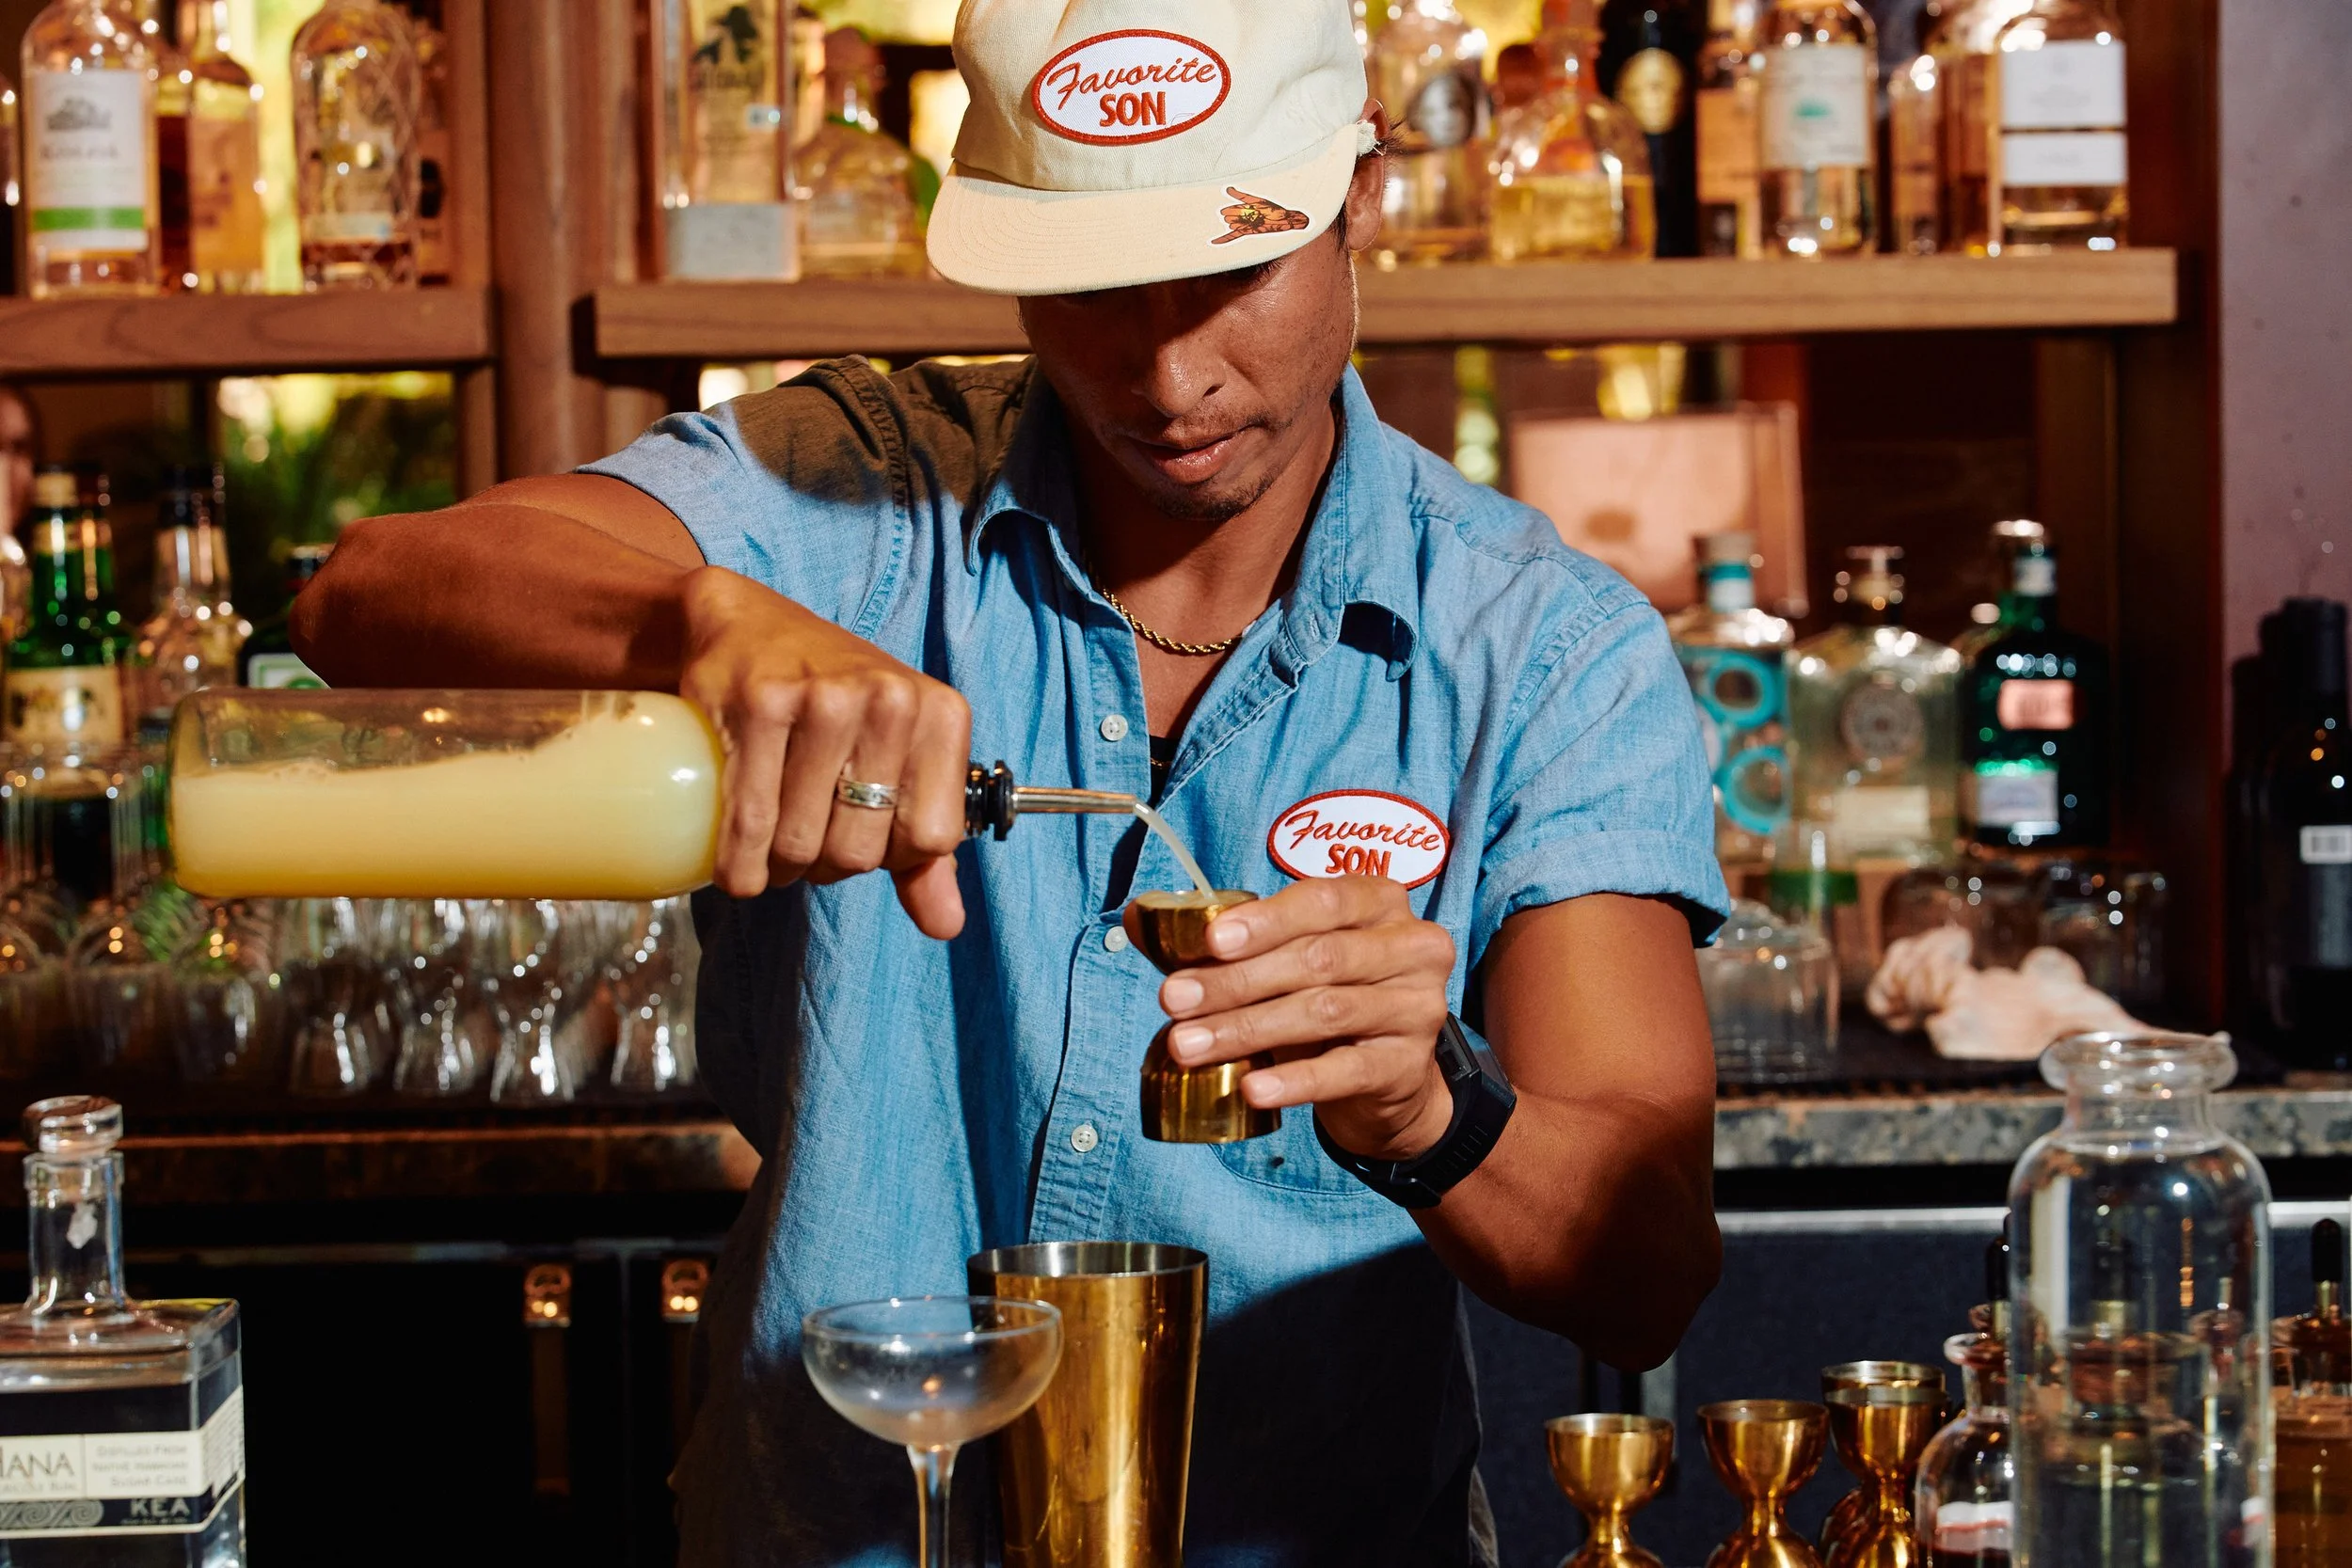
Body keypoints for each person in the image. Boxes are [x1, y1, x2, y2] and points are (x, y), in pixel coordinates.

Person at [298, 1, 1729, 1560]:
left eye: (1232, 270)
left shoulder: (1541, 649)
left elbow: (1646, 1271)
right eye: (1097, 286)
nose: (1170, 365)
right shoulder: (856, 494)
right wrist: (702, 618)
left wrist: (1431, 1104)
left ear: (1362, 194)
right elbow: (363, 593)